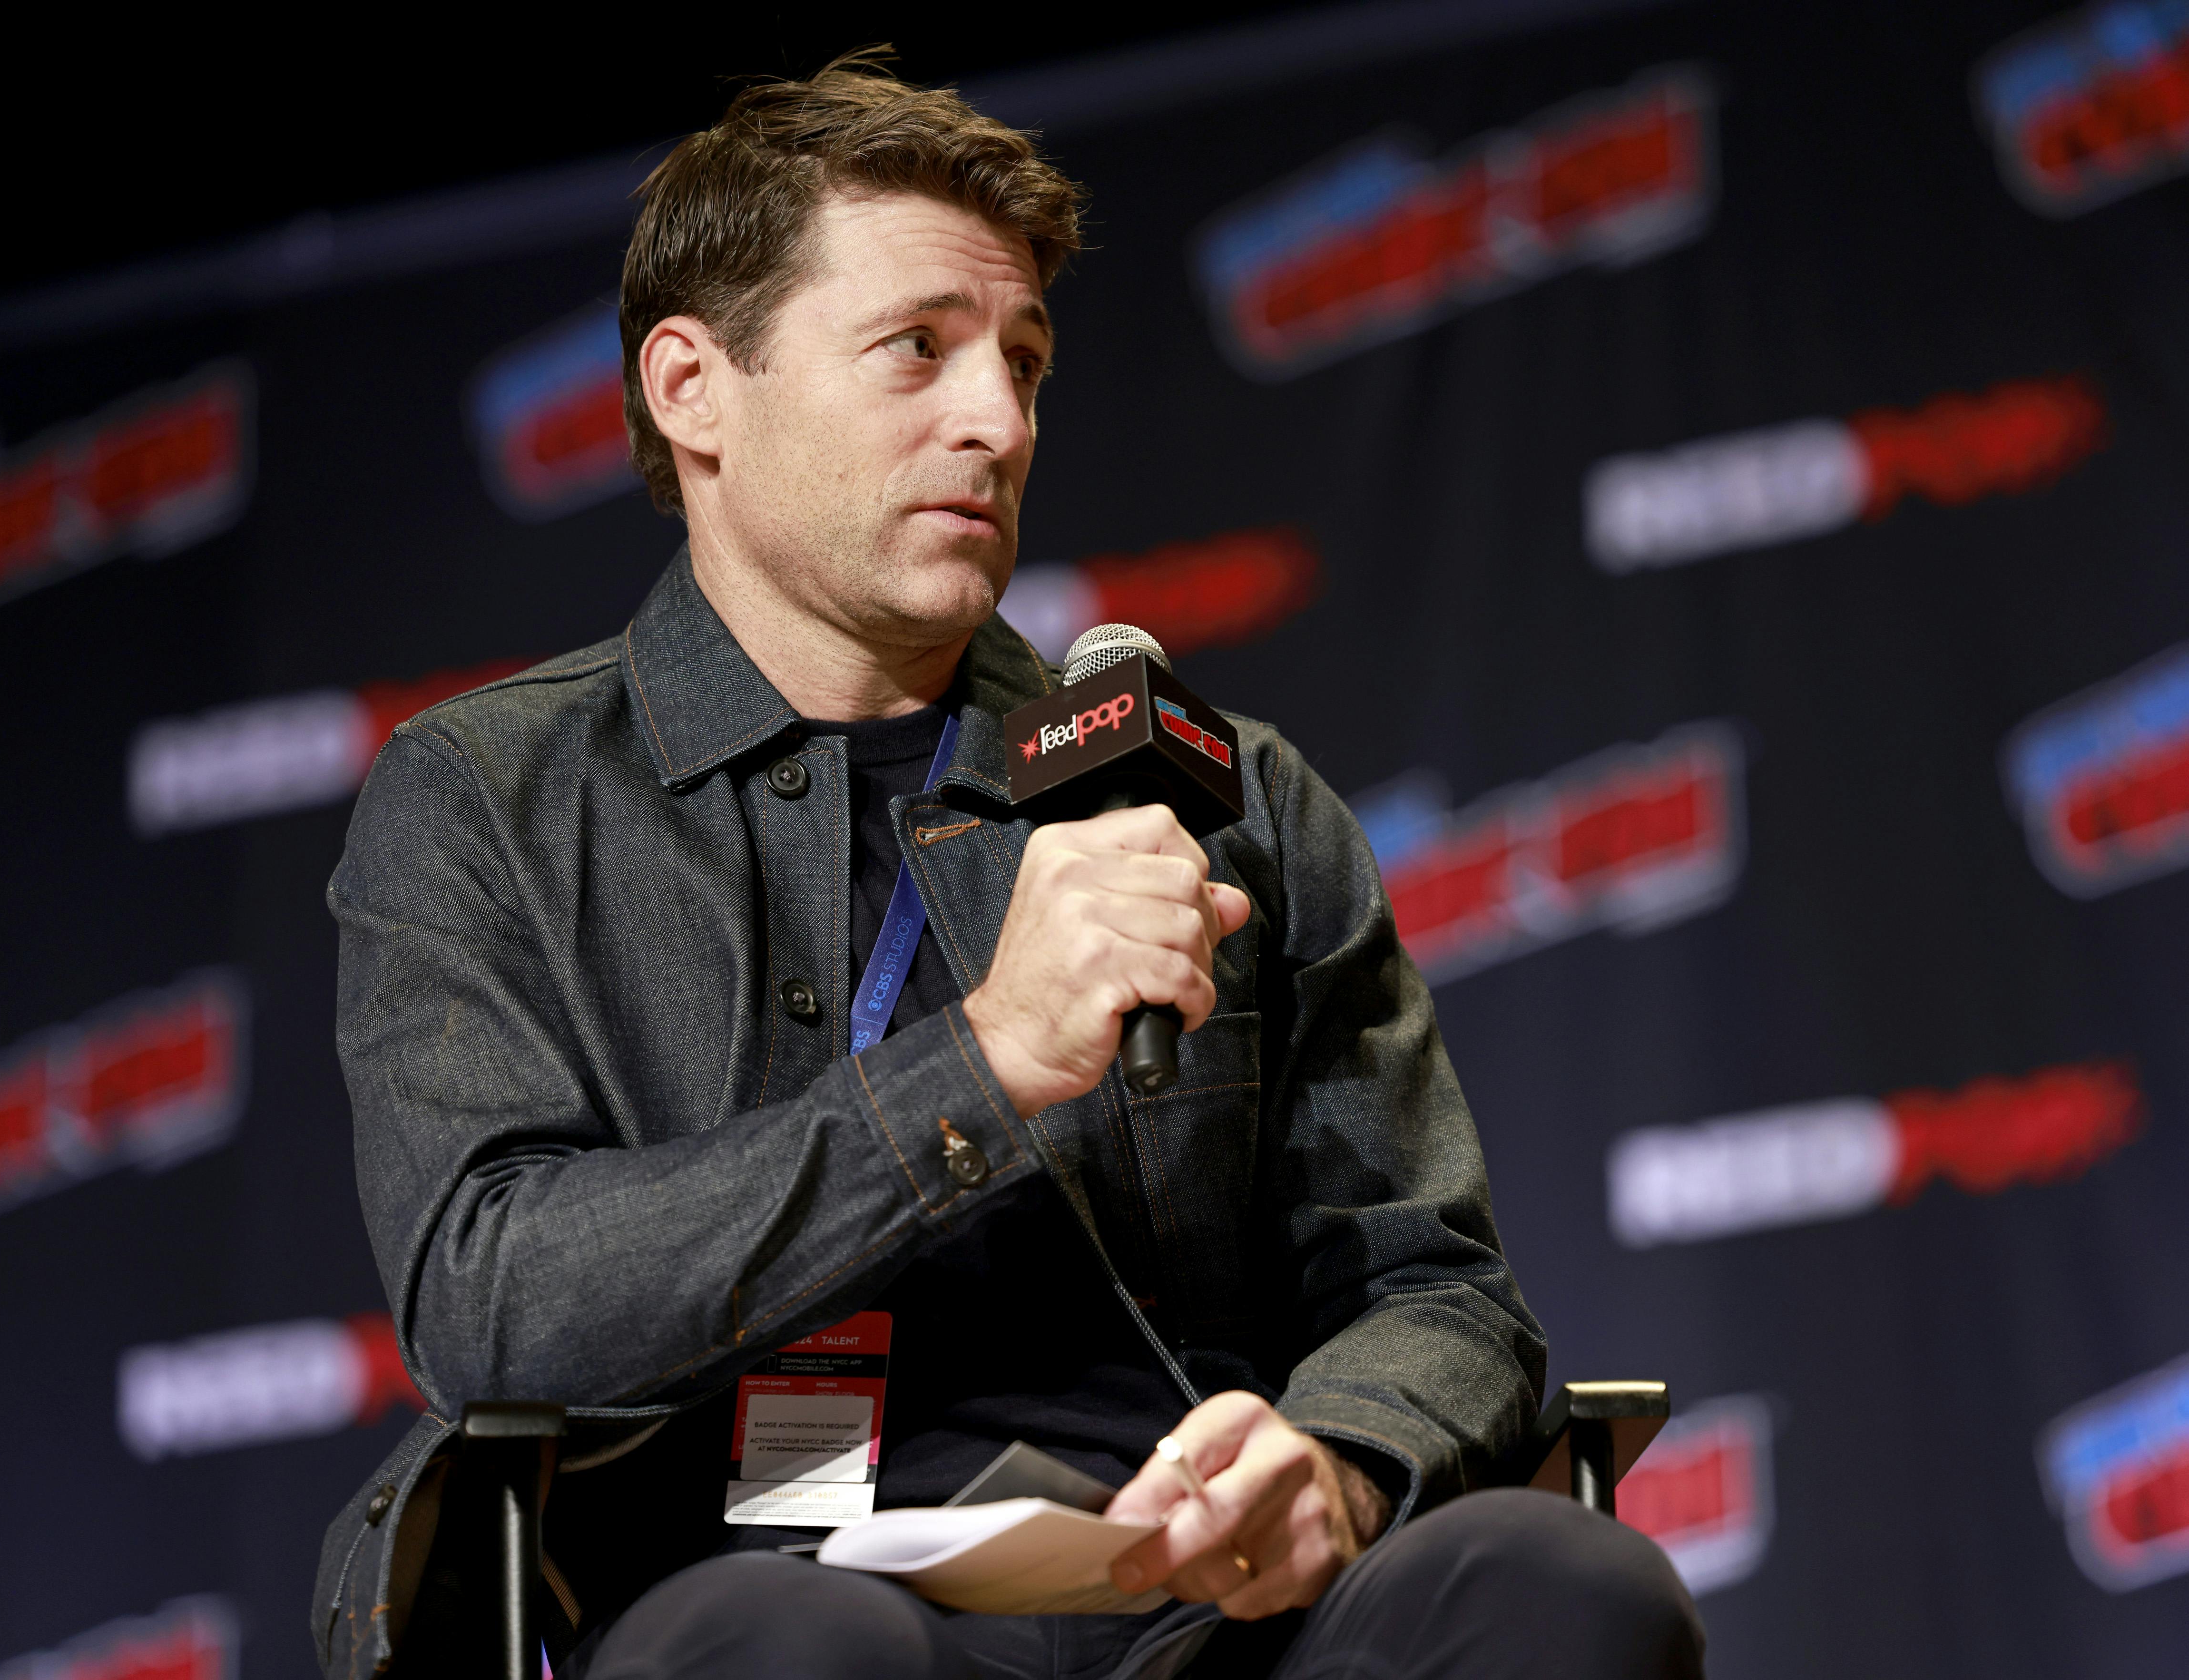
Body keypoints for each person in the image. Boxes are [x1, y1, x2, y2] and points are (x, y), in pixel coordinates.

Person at [311, 52, 1703, 1680]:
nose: (999, 420)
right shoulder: (488, 796)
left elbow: (1437, 1287)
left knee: (1562, 1586)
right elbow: (487, 1299)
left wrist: (1337, 1461)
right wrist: (981, 1063)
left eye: (1024, 362)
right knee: (794, 1651)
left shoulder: (1221, 791)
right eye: (919, 349)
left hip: (1206, 1604)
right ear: (695, 388)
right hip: (767, 1586)